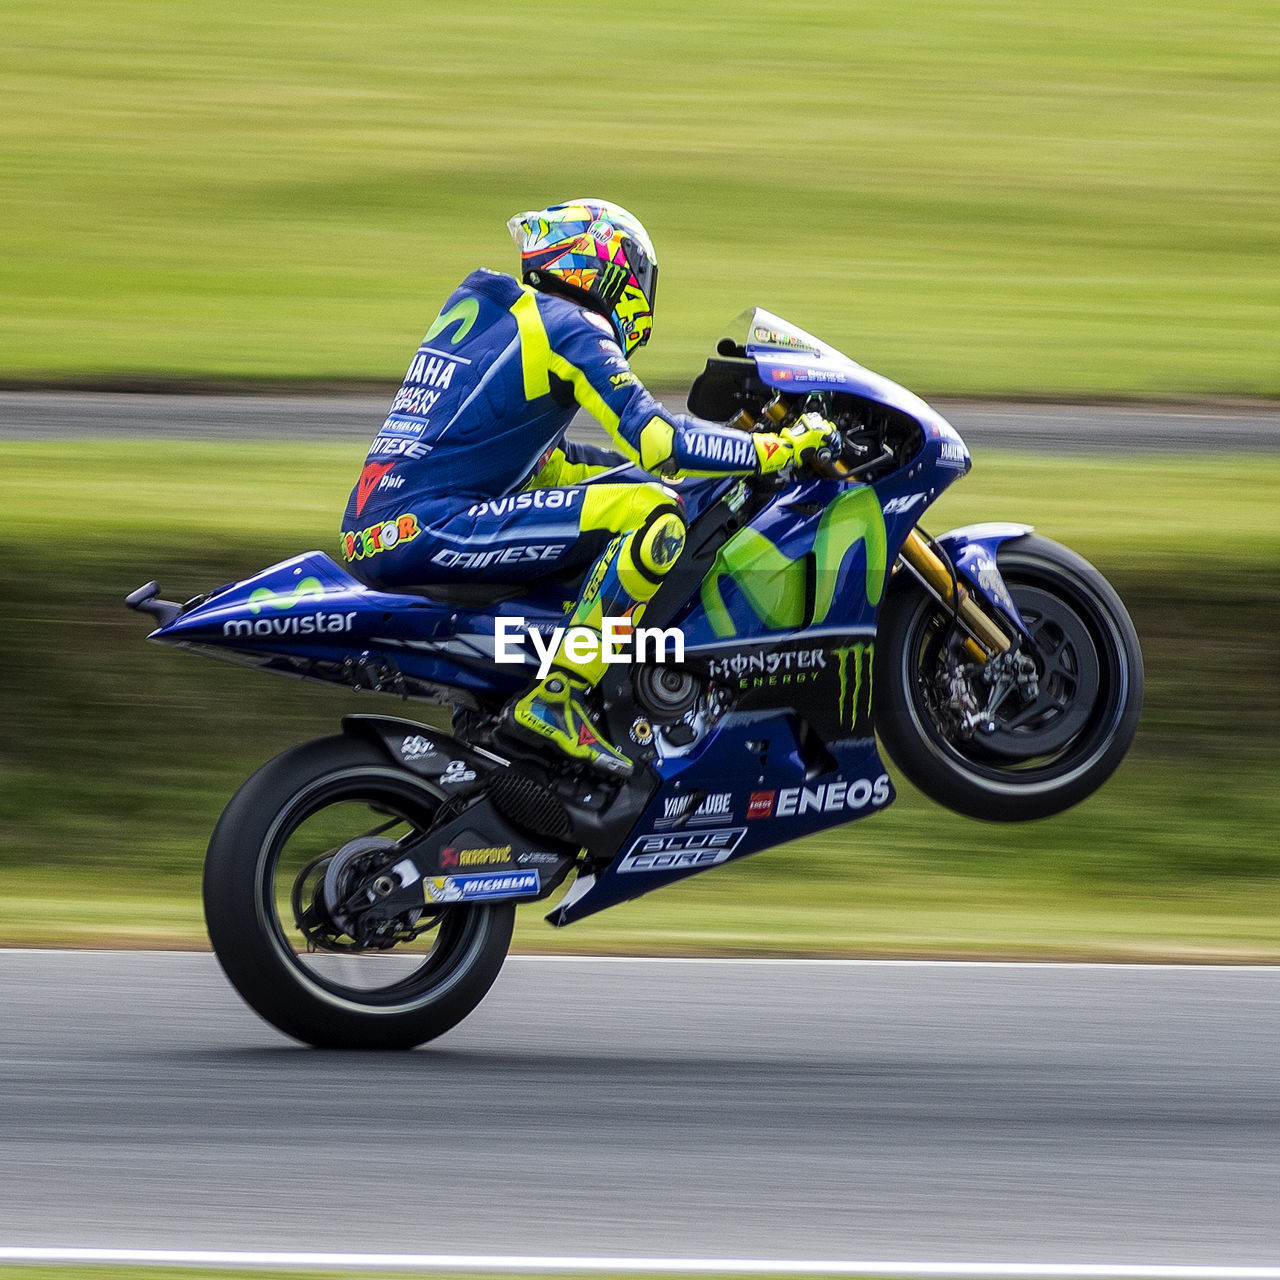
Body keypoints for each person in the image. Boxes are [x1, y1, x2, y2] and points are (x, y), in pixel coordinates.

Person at [341, 198, 837, 778]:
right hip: (429, 525)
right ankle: (559, 696)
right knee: (655, 514)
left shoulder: (494, 311)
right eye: (639, 279)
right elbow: (658, 442)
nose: (642, 300)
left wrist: (708, 463)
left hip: (375, 530)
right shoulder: (566, 324)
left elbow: (555, 468)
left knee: (635, 491)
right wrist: (777, 447)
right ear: (605, 262)